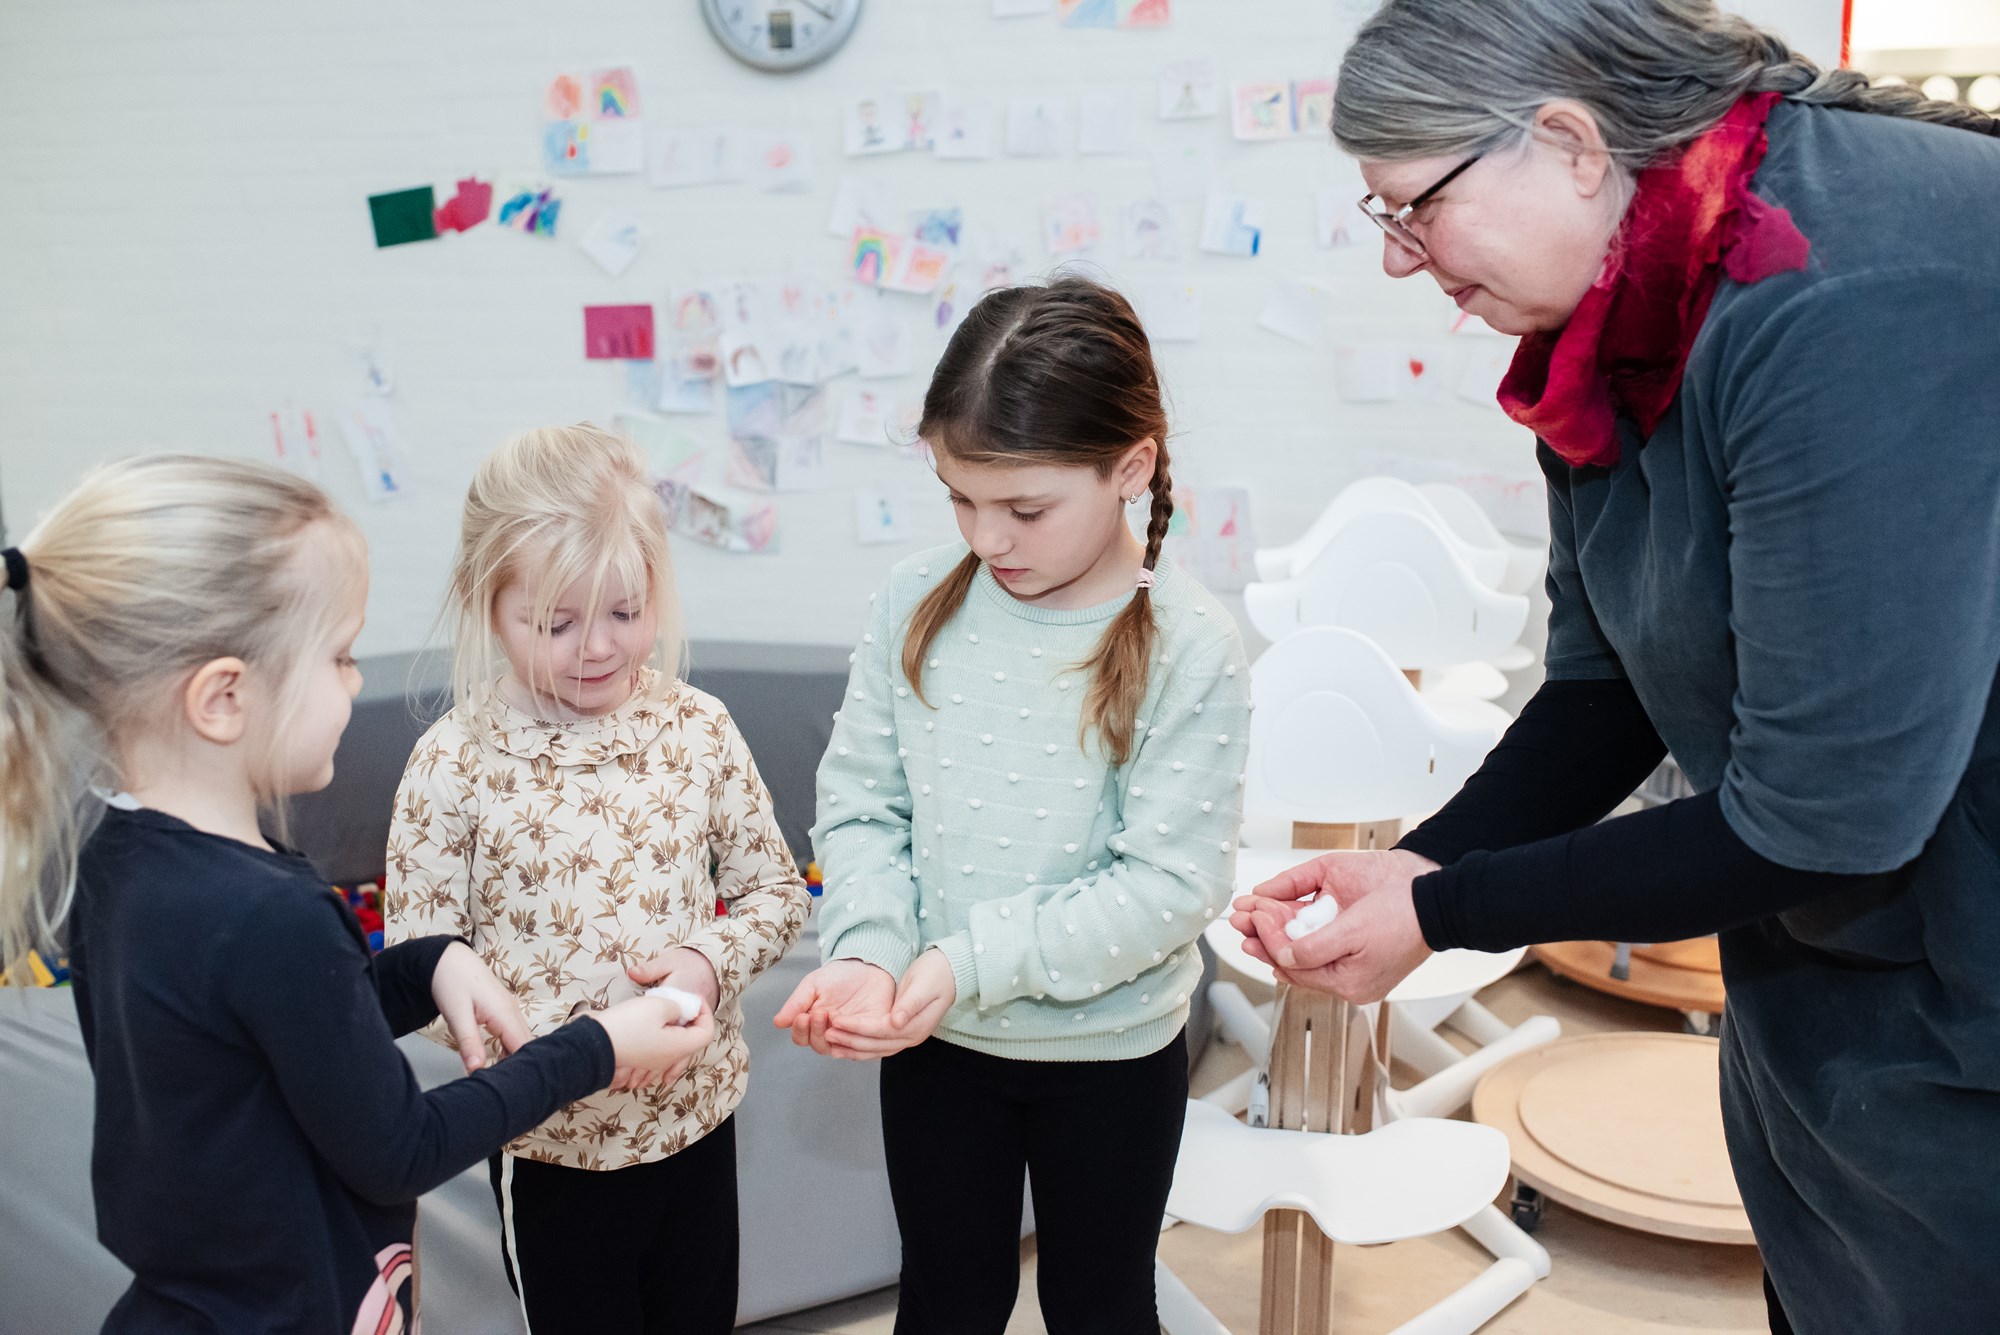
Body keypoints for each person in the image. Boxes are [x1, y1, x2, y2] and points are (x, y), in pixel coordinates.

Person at [1233, 2, 2000, 1330]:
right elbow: (1607, 688)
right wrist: (1423, 863)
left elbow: (1828, 818)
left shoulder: (1843, 288)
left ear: (1569, 143)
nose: (1400, 258)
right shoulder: (1611, 317)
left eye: (1414, 209)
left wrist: (1448, 909)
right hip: (1831, 972)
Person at [0, 454, 710, 1333]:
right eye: (338, 655)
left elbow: (287, 1034)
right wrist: (594, 1047)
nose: (355, 680)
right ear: (223, 697)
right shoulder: (271, 913)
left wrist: (425, 964)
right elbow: (401, 1146)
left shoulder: (120, 857)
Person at [775, 276, 1252, 1334]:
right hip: (937, 1046)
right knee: (945, 1300)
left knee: (1098, 1305)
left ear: (1129, 469)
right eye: (959, 498)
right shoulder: (914, 600)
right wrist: (866, 948)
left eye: (1024, 509)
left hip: (1110, 1053)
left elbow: (1168, 886)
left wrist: (963, 962)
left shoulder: (1190, 644)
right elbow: (861, 806)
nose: (987, 538)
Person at [384, 424, 810, 1334]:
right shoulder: (451, 763)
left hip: (696, 1124)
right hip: (553, 1151)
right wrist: (573, 1045)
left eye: (625, 610)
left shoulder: (697, 726)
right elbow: (419, 973)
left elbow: (777, 895)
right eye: (555, 623)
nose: (597, 647)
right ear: (488, 605)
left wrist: (707, 962)